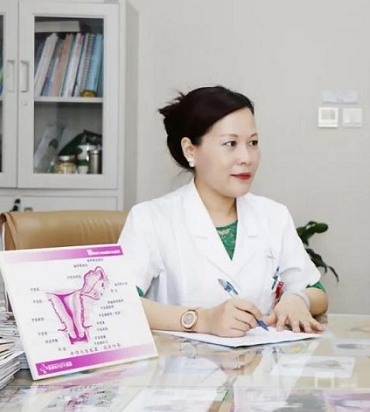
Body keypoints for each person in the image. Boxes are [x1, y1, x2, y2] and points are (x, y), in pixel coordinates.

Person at [118, 85, 328, 337]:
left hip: (260, 359)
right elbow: (118, 302)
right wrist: (201, 320)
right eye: (230, 143)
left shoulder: (273, 215)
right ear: (190, 150)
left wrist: (299, 299)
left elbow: (316, 291)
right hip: (180, 361)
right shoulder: (150, 219)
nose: (246, 157)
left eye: (253, 143)